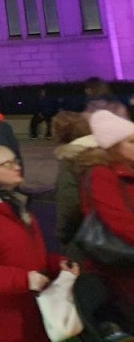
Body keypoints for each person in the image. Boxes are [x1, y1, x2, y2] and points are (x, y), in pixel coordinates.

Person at [0, 145, 76, 342]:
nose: (17, 167)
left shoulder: (12, 204)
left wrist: (55, 264)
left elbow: (24, 252)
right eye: (8, 164)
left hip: (19, 315)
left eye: (15, 161)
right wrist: (25, 279)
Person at [79, 110, 134, 319]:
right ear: (114, 147)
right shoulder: (101, 174)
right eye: (132, 141)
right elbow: (118, 221)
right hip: (120, 266)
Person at [50, 111, 96, 259]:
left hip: (84, 237)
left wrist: (62, 234)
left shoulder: (71, 161)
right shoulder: (106, 152)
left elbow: (69, 201)